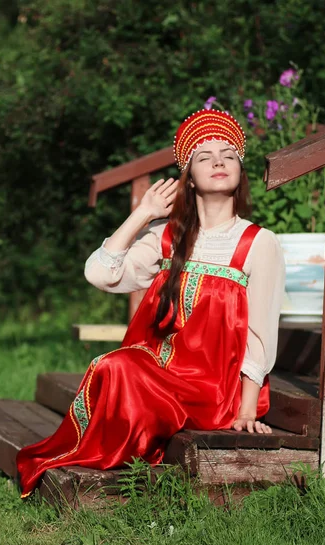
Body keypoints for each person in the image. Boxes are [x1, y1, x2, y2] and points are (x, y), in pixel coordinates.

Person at [17, 108, 286, 498]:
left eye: (228, 154)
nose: (218, 161)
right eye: (204, 156)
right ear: (189, 178)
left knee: (124, 370)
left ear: (240, 172)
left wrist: (247, 412)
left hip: (213, 388)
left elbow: (260, 335)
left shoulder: (258, 243)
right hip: (163, 371)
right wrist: (141, 214)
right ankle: (106, 465)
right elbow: (99, 273)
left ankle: (119, 469)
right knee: (114, 365)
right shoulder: (166, 237)